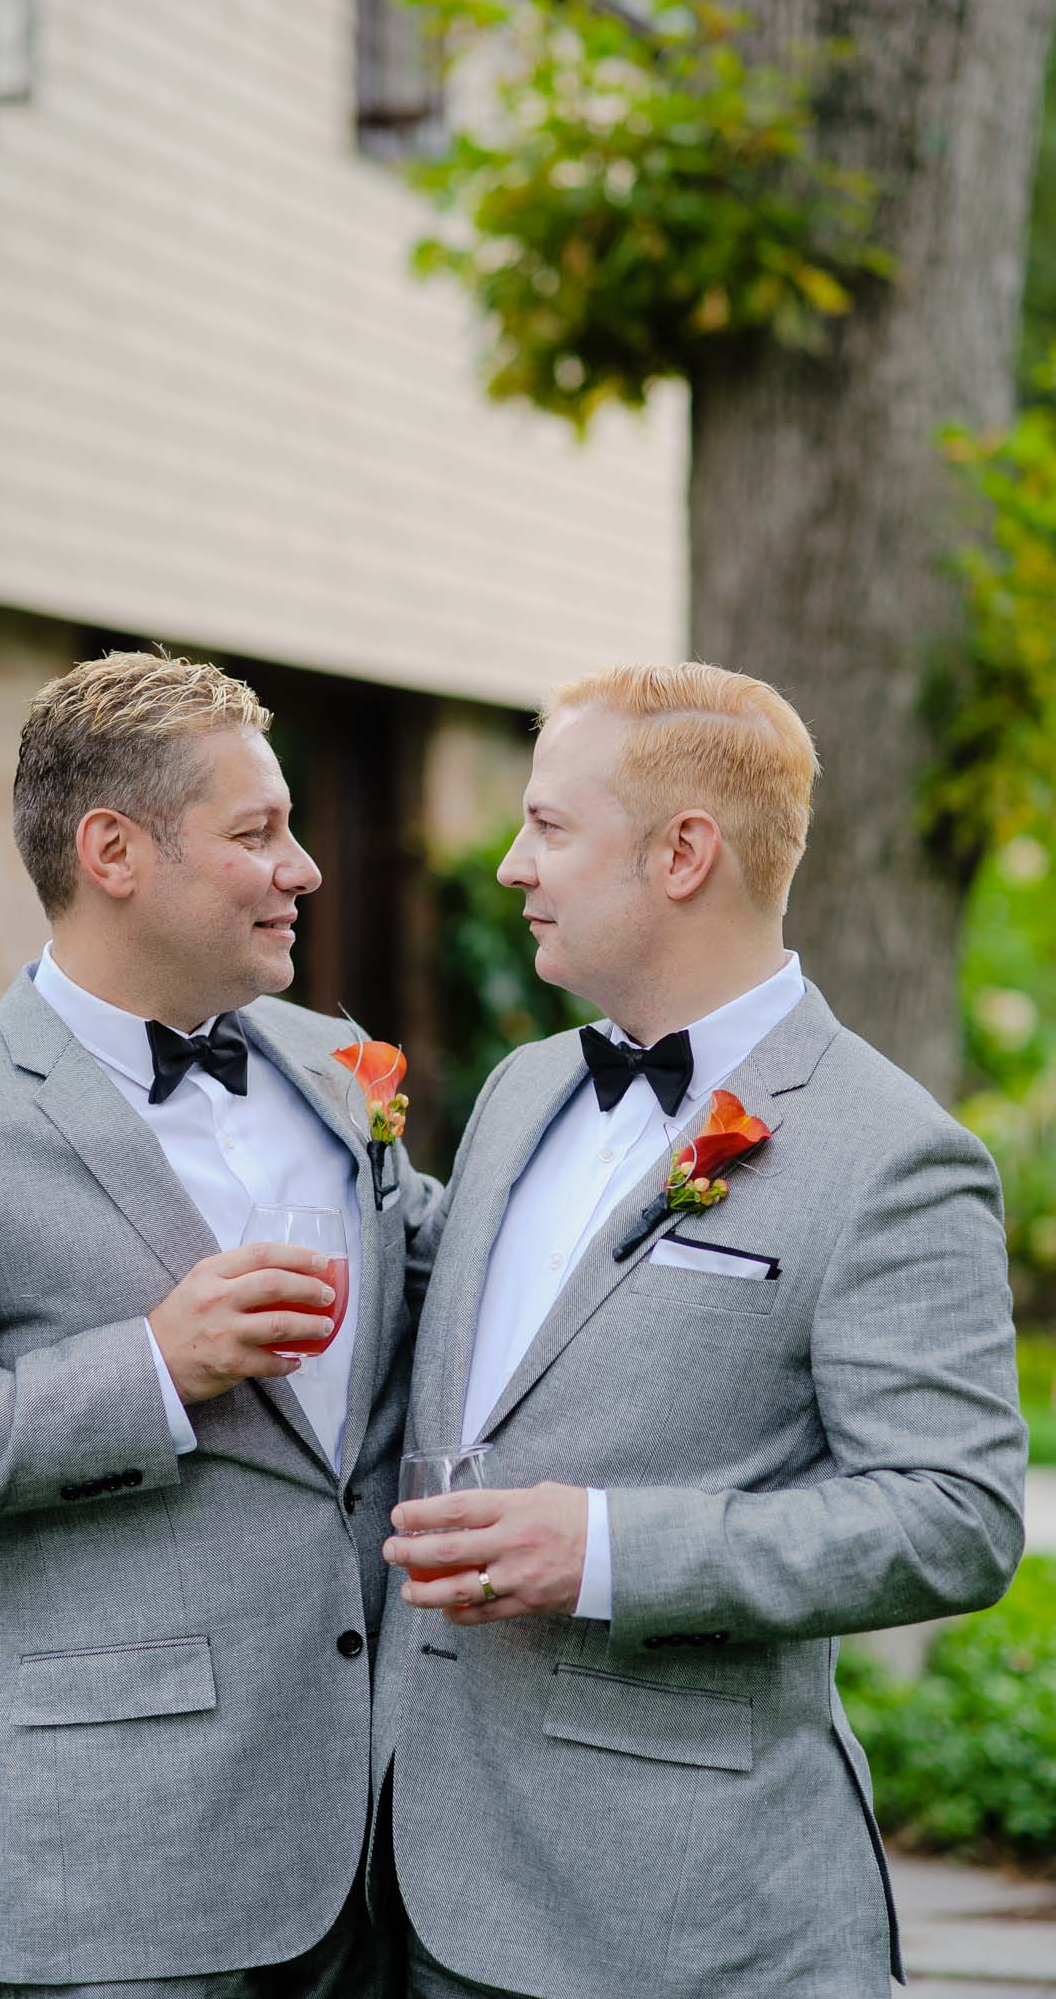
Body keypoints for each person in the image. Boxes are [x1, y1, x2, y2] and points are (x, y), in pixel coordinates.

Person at [0, 651, 438, 1999]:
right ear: (114, 851)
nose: (303, 867)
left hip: (387, 1847)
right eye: (257, 834)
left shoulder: (333, 1064)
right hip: (116, 1868)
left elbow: (455, 1288)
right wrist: (153, 1367)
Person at [375, 660, 1026, 1999]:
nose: (509, 867)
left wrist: (608, 1549)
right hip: (417, 1885)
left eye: (549, 827)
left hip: (688, 1917)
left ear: (684, 852)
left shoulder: (895, 1155)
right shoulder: (523, 1088)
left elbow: (956, 1517)